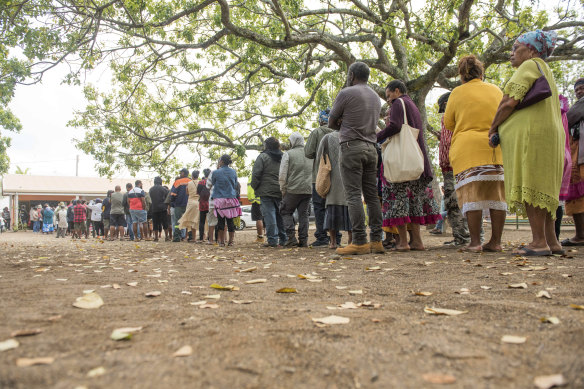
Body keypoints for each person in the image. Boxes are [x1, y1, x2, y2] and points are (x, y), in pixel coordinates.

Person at [489, 30, 564, 256]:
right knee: (545, 188)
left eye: (516, 48)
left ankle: (538, 242)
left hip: (533, 136)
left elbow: (509, 102)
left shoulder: (529, 65)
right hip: (551, 135)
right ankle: (552, 242)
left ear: (531, 50)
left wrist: (493, 127)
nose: (511, 54)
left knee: (532, 185)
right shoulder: (545, 69)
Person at [443, 55, 507, 253]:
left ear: (462, 75)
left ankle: (474, 242)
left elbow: (448, 123)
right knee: (498, 195)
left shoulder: (457, 93)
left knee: (471, 195)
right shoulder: (496, 90)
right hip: (494, 147)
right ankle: (495, 242)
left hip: (467, 149)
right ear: (482, 73)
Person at [377, 79, 441, 251]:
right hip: (416, 161)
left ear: (397, 90)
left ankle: (403, 242)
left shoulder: (399, 103)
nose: (388, 99)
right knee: (414, 202)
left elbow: (396, 126)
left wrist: (378, 136)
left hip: (401, 163)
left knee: (398, 200)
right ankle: (417, 241)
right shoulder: (412, 105)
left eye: (388, 94)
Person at [329, 62, 384, 255]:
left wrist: (343, 122)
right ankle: (377, 240)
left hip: (351, 146)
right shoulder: (376, 97)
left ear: (351, 75)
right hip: (371, 148)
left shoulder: (346, 93)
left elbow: (332, 122)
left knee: (353, 195)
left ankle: (360, 240)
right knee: (371, 196)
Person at [435, 92, 471, 246]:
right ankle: (460, 236)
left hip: (453, 165)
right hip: (449, 165)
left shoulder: (453, 117)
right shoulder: (454, 118)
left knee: (455, 202)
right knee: (453, 202)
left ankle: (462, 237)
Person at [316, 127, 352, 249]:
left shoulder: (327, 138)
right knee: (350, 208)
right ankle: (351, 241)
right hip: (349, 178)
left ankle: (333, 242)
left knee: (331, 208)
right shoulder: (352, 136)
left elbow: (319, 157)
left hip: (333, 179)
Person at [305, 109, 336, 246]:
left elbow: (308, 152)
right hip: (336, 177)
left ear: (320, 120)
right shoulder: (339, 132)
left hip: (319, 175)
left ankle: (322, 237)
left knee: (319, 206)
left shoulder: (316, 132)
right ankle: (337, 237)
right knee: (334, 205)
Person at [251, 137, 286, 248]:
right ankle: (283, 239)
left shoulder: (262, 157)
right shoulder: (284, 156)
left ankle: (272, 240)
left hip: (266, 191)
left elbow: (256, 174)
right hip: (280, 190)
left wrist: (254, 186)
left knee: (269, 215)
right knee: (280, 215)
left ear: (267, 146)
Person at [561, 79, 584, 245]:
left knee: (578, 192)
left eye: (582, 88)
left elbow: (567, 118)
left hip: (580, 156)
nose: (579, 92)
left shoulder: (581, 105)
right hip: (577, 153)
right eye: (577, 90)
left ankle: (581, 235)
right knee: (577, 194)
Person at [279, 132, 312, 247]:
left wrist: (283, 189)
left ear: (292, 141)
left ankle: (291, 238)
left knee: (285, 211)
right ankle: (304, 240)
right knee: (303, 214)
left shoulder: (288, 154)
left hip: (293, 189)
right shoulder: (310, 153)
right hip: (308, 189)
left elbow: (282, 174)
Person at [211, 155, 241, 246]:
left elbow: (213, 183)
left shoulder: (215, 172)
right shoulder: (233, 172)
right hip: (231, 198)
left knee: (220, 221)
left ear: (222, 161)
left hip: (219, 199)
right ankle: (231, 241)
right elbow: (235, 184)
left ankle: (221, 242)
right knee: (230, 220)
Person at [178, 170, 201, 242]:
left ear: (192, 176)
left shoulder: (189, 183)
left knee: (189, 219)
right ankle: (202, 236)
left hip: (190, 202)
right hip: (198, 202)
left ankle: (191, 237)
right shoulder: (201, 183)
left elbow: (187, 193)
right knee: (197, 220)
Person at [170, 168, 190, 242]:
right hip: (188, 204)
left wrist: (173, 202)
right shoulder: (191, 181)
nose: (179, 174)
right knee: (188, 221)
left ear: (183, 173)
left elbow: (172, 194)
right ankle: (190, 237)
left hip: (178, 204)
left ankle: (176, 237)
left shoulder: (177, 182)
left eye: (180, 173)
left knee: (177, 222)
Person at [149, 176, 170, 242]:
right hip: (163, 208)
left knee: (155, 223)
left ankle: (156, 237)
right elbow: (168, 197)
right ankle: (166, 237)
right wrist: (166, 206)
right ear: (160, 182)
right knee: (165, 223)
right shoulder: (164, 189)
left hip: (154, 208)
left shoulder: (151, 189)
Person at [246, 175, 265, 243]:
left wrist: (250, 198)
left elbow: (249, 189)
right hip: (264, 198)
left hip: (256, 200)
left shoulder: (253, 176)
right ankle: (272, 236)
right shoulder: (264, 174)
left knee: (258, 219)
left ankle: (260, 237)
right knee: (267, 217)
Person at [197, 169, 211, 242]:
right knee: (210, 221)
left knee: (202, 221)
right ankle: (210, 237)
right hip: (210, 203)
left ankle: (201, 238)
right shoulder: (212, 182)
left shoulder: (201, 182)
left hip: (202, 203)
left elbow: (198, 192)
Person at [205, 172, 218, 245]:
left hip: (214, 200)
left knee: (211, 221)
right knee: (223, 221)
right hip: (225, 200)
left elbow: (208, 186)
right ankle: (221, 239)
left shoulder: (213, 173)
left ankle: (211, 240)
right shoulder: (232, 172)